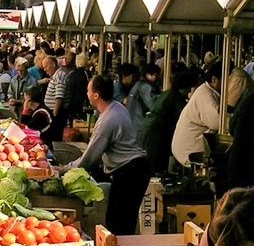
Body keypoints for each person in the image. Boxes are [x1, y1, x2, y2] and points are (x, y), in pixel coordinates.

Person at [65, 73, 151, 235]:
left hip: (129, 172)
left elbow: (89, 157)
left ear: (96, 95)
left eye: (88, 90)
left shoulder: (108, 120)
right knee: (124, 219)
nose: (86, 93)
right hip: (136, 168)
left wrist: (65, 169)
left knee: (118, 222)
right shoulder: (117, 107)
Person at [171, 60, 222, 168]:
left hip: (186, 147)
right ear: (214, 79)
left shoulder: (205, 91)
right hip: (190, 151)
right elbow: (217, 123)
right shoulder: (205, 95)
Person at [143, 68, 194, 174]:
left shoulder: (167, 93)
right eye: (188, 88)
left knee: (151, 164)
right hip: (158, 133)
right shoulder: (177, 98)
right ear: (183, 87)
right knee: (157, 166)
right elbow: (183, 118)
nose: (189, 91)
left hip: (150, 130)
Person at [126, 63, 162, 144]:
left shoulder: (138, 84)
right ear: (148, 75)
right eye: (157, 75)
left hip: (132, 125)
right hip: (139, 126)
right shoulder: (145, 87)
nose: (159, 77)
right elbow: (154, 105)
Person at [66, 53, 91, 124]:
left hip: (72, 101)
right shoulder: (86, 74)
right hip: (82, 101)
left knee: (73, 121)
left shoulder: (72, 74)